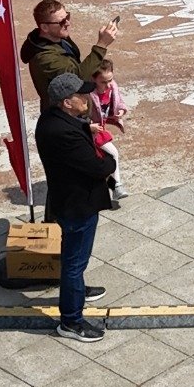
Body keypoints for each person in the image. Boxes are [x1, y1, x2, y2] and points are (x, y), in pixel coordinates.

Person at [34, 72, 116, 344]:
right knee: (74, 263)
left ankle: (77, 289)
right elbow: (98, 167)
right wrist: (111, 162)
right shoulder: (63, 133)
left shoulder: (51, 119)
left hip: (68, 200)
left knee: (74, 258)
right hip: (78, 205)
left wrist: (86, 130)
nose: (87, 98)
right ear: (67, 102)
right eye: (81, 95)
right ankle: (71, 320)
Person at [21, 0, 116, 104]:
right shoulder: (44, 58)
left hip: (77, 102)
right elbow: (76, 78)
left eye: (67, 17)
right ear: (44, 27)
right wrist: (102, 44)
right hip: (64, 109)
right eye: (61, 22)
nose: (67, 23)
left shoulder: (58, 37)